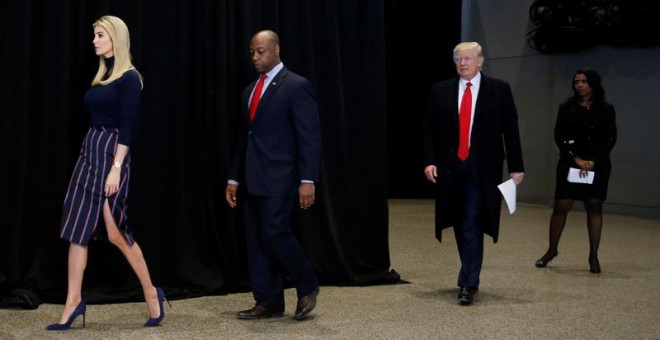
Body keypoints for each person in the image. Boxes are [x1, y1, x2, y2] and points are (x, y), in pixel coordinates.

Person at [47, 16, 168, 330]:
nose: (94, 40)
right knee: (76, 228)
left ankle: (151, 292)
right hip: (90, 149)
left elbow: (127, 128)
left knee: (115, 232)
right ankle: (72, 303)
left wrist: (116, 169)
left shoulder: (130, 78)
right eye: (94, 35)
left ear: (115, 38)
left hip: (112, 152)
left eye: (100, 35)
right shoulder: (103, 77)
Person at [225, 30, 321, 320]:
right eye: (252, 52)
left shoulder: (296, 86)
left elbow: (309, 137)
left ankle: (308, 286)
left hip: (282, 177)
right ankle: (268, 302)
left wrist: (308, 179)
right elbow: (246, 137)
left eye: (261, 51)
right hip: (252, 178)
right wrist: (233, 178)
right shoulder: (249, 91)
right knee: (256, 240)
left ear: (276, 50)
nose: (255, 57)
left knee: (274, 231)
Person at [423, 42, 525, 306]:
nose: (462, 63)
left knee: (471, 222)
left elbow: (510, 129)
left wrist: (516, 166)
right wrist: (430, 161)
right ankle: (469, 273)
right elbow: (429, 128)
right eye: (458, 58)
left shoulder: (499, 90)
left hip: (483, 169)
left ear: (480, 61)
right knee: (459, 221)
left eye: (467, 58)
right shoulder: (441, 90)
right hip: (451, 167)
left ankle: (468, 282)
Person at [535, 68, 617, 273]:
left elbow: (610, 138)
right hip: (570, 162)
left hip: (597, 164)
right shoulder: (567, 107)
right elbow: (559, 135)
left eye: (583, 81)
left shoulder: (606, 109)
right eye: (576, 81)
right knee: (561, 207)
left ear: (593, 84)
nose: (579, 85)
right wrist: (576, 158)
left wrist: (593, 161)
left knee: (594, 206)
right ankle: (551, 250)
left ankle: (593, 256)